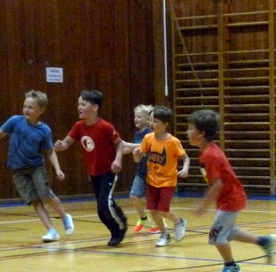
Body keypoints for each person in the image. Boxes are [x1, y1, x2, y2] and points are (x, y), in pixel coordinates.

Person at [186, 109, 276, 272]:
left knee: (216, 236)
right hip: (229, 198)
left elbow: (217, 184)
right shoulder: (207, 152)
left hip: (231, 199)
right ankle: (264, 241)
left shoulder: (210, 155)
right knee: (227, 232)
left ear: (201, 133)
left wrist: (202, 206)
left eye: (191, 129)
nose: (187, 132)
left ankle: (231, 266)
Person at [0, 90, 75, 242]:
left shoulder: (44, 130)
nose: (26, 110)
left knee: (45, 195)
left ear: (41, 110)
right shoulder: (14, 121)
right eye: (25, 106)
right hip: (18, 170)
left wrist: (58, 169)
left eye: (30, 107)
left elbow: (50, 151)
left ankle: (64, 217)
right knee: (35, 201)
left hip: (36, 168)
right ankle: (52, 231)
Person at [54, 89, 127, 246]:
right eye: (78, 104)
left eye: (83, 104)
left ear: (95, 107)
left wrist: (118, 160)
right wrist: (61, 145)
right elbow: (67, 142)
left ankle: (121, 225)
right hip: (93, 173)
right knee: (101, 210)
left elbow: (119, 144)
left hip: (108, 171)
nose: (79, 107)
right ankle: (115, 230)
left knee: (105, 203)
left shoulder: (105, 127)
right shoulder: (79, 126)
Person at [132, 106, 189, 247]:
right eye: (150, 120)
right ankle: (164, 234)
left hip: (167, 181)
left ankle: (178, 222)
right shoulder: (148, 138)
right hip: (152, 180)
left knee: (163, 209)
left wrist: (185, 168)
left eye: (155, 121)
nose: (152, 124)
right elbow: (138, 159)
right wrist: (136, 155)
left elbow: (185, 158)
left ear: (165, 124)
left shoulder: (173, 142)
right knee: (153, 210)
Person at [122, 104, 159, 233]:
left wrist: (126, 144)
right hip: (141, 171)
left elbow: (144, 145)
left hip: (152, 172)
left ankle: (159, 222)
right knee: (133, 195)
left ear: (148, 120)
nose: (135, 119)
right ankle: (143, 218)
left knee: (151, 200)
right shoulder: (137, 134)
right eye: (135, 116)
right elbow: (132, 147)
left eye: (139, 117)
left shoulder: (150, 133)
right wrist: (117, 152)